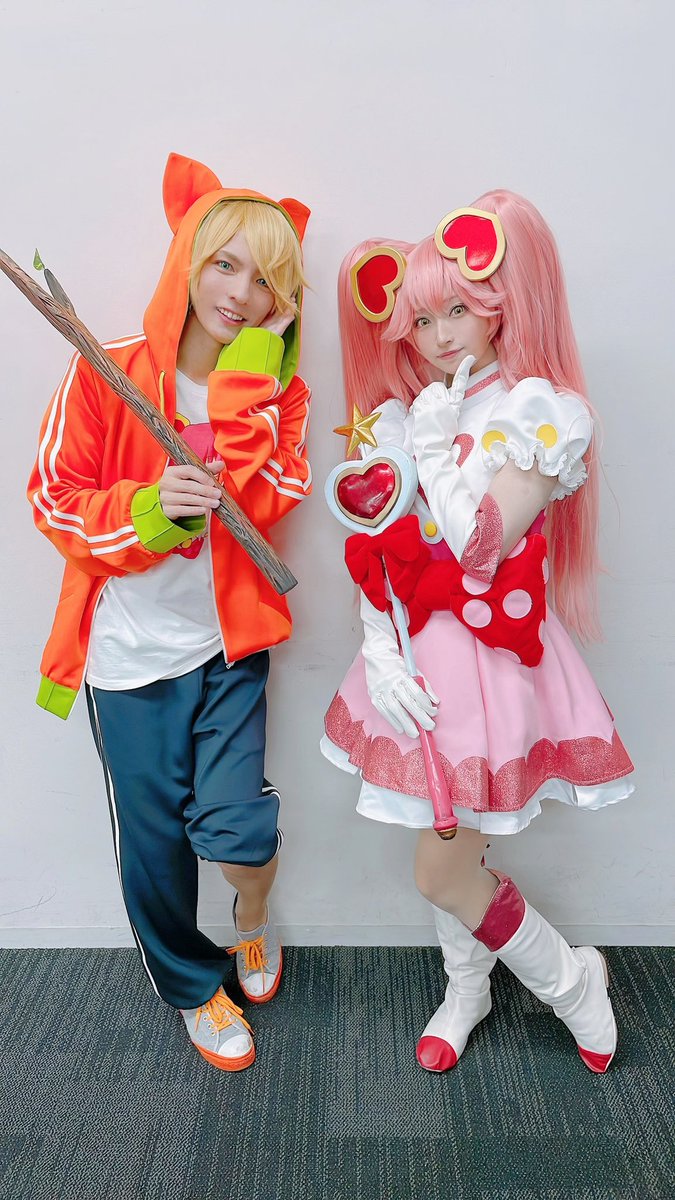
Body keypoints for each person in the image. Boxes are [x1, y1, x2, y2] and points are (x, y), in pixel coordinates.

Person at [322, 192, 633, 1074]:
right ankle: (468, 990)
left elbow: (479, 550)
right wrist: (379, 653)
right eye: (420, 320)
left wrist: (431, 449)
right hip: (417, 659)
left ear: (498, 304)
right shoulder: (403, 413)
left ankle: (571, 982)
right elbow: (378, 552)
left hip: (495, 664)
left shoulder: (540, 409)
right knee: (449, 835)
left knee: (441, 866)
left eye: (455, 309)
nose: (437, 336)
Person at [28, 152, 312, 1071]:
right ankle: (193, 987)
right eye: (224, 263)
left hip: (228, 650)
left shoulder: (281, 397)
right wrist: (150, 511)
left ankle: (252, 917)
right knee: (152, 847)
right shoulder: (105, 369)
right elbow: (52, 498)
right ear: (186, 256)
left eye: (264, 279)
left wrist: (248, 381)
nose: (240, 293)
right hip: (126, 658)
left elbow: (274, 499)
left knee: (239, 828)